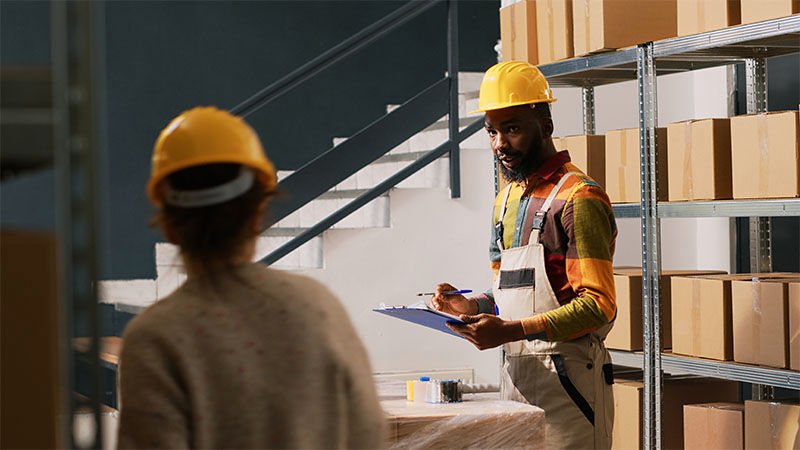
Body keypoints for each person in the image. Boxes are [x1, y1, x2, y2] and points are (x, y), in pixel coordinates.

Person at [117, 106, 386, 449]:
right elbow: (368, 433)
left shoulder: (155, 337)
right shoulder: (317, 305)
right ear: (259, 213)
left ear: (169, 225)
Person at [429, 61, 617, 449]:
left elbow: (599, 306)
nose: (500, 144)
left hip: (572, 389)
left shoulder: (579, 198)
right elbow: (507, 294)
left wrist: (511, 331)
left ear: (545, 126)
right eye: (492, 132)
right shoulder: (507, 201)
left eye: (512, 129)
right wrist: (467, 306)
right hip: (517, 382)